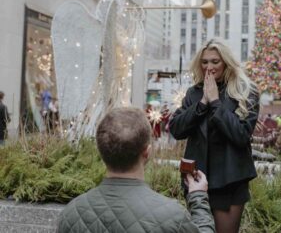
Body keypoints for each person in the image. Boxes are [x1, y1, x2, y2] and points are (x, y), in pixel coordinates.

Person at [58, 107, 215, 233]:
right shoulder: (172, 216)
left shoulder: (71, 214)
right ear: (147, 152)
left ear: (101, 151)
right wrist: (198, 198)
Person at [170, 39, 259, 233]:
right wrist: (202, 103)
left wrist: (216, 103)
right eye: (204, 62)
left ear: (226, 62)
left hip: (229, 180)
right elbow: (176, 129)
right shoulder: (194, 93)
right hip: (196, 178)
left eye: (215, 61)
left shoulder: (246, 91)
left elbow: (241, 135)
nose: (209, 67)